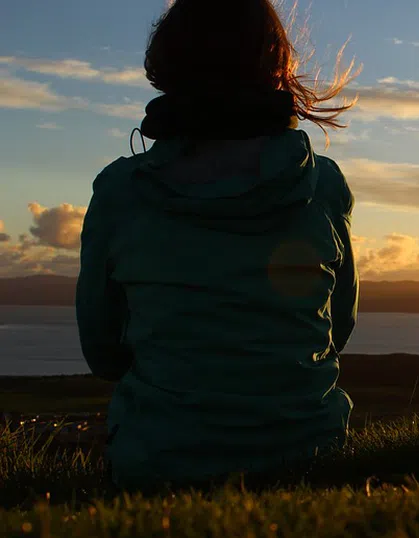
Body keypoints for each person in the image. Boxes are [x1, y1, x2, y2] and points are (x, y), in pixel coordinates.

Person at [75, 0, 360, 489]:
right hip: (311, 456)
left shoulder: (120, 192)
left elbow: (103, 354)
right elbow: (340, 327)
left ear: (167, 69)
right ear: (275, 68)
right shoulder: (323, 184)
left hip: (158, 464)